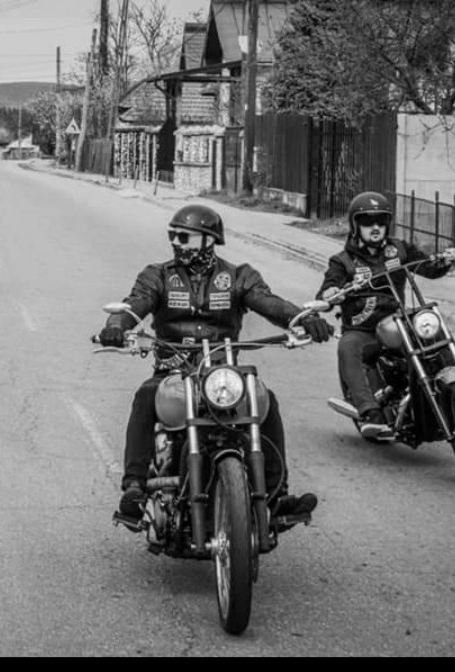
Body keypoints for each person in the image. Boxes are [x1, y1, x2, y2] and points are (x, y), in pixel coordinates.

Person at [98, 204, 334, 523]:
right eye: (173, 236)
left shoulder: (238, 276)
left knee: (266, 399)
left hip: (223, 376)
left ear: (208, 240)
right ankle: (134, 488)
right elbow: (135, 303)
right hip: (173, 373)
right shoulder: (158, 275)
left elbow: (268, 302)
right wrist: (116, 326)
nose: (176, 242)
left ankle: (277, 495)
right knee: (146, 395)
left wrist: (303, 319)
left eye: (184, 237)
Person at [317, 191, 453, 441]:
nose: (375, 227)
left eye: (381, 220)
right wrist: (331, 293)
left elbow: (427, 267)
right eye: (367, 221)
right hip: (363, 330)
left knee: (432, 329)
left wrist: (444, 261)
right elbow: (327, 289)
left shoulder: (399, 249)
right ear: (355, 225)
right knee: (347, 346)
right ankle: (369, 412)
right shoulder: (342, 261)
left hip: (398, 322)